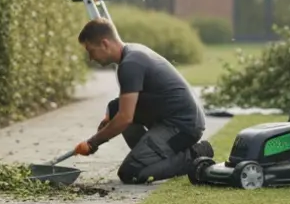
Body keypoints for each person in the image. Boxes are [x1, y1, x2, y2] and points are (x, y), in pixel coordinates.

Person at [70, 18, 214, 184]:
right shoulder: (131, 54)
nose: (90, 58)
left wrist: (92, 143)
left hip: (182, 127)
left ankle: (195, 155)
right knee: (115, 108)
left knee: (130, 173)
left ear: (104, 44)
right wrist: (109, 118)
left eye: (91, 51)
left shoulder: (130, 64)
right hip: (171, 120)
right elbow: (122, 107)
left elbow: (125, 118)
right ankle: (151, 156)